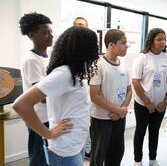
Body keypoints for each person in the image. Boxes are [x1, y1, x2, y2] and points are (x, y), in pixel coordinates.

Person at [13, 26, 99, 166]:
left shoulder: (76, 72)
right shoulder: (63, 73)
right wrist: (48, 133)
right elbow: (21, 104)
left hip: (76, 143)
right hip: (65, 149)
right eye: (94, 43)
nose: (96, 47)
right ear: (83, 47)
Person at [132, 28, 167, 166]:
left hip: (160, 105)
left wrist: (165, 102)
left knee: (154, 131)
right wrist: (147, 103)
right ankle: (137, 160)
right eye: (159, 39)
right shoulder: (142, 57)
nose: (162, 42)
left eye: (164, 39)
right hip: (142, 103)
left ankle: (152, 158)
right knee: (140, 131)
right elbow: (135, 82)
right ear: (151, 40)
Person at [89, 29, 132, 166]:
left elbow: (129, 90)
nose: (127, 46)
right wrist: (118, 110)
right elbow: (94, 96)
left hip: (119, 119)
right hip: (101, 120)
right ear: (111, 45)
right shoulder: (98, 65)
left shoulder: (124, 65)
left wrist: (122, 110)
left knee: (116, 154)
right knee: (98, 157)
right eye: (123, 43)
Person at [19, 12, 53, 166]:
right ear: (33, 35)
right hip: (38, 118)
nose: (50, 35)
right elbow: (42, 97)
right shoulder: (31, 60)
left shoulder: (48, 57)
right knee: (38, 158)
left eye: (51, 32)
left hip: (49, 116)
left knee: (48, 157)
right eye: (45, 33)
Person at [73, 16, 91, 160]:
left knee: (87, 123)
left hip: (89, 92)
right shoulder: (68, 49)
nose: (80, 26)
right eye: (77, 24)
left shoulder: (90, 49)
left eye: (83, 25)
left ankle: (87, 150)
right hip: (74, 94)